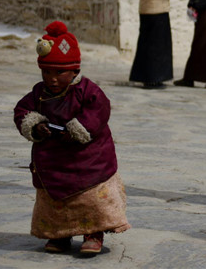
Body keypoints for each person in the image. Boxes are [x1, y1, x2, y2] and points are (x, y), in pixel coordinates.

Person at [14, 21, 130, 255]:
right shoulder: (38, 94)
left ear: (75, 70)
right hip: (53, 162)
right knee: (55, 204)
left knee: (90, 200)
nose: (52, 79)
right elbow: (22, 111)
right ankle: (59, 235)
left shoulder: (88, 92)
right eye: (46, 72)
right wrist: (36, 127)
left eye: (59, 72)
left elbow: (99, 111)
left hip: (88, 161)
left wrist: (78, 129)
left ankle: (93, 233)